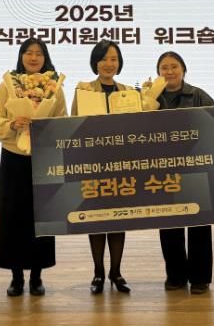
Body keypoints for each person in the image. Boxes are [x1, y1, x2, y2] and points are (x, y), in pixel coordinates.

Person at [0, 38, 67, 297]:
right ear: (21, 56)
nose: (33, 58)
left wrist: (45, 128)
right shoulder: (8, 85)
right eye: (28, 53)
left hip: (43, 158)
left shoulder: (55, 88)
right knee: (13, 216)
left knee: (41, 218)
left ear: (45, 58)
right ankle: (16, 277)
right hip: (13, 157)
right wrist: (13, 125)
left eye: (38, 54)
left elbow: (62, 121)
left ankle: (36, 276)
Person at [154, 51, 214, 294]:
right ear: (158, 73)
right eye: (164, 68)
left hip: (195, 170)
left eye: (174, 66)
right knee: (169, 225)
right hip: (163, 171)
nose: (169, 71)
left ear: (183, 70)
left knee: (199, 225)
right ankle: (175, 276)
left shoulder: (198, 95)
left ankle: (200, 278)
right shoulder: (151, 99)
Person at [71, 39, 132, 294]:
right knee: (96, 220)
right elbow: (73, 125)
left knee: (118, 220)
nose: (109, 64)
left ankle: (116, 272)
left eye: (114, 59)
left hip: (121, 164)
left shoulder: (129, 91)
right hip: (93, 164)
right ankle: (98, 272)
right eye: (104, 59)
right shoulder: (84, 90)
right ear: (95, 62)